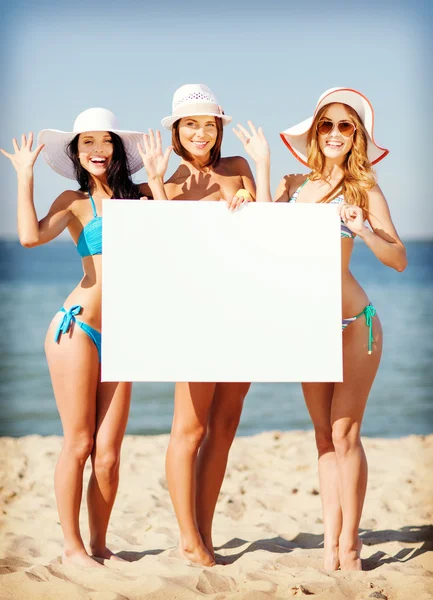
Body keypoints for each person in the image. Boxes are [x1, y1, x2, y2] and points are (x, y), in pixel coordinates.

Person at [235, 87, 407, 571]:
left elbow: (398, 260)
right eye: (326, 125)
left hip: (355, 323)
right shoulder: (295, 186)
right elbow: (261, 237)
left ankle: (350, 547)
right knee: (322, 436)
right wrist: (259, 174)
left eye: (345, 125)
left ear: (357, 137)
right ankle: (330, 545)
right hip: (306, 324)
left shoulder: (364, 190)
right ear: (315, 132)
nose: (334, 133)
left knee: (345, 432)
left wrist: (367, 230)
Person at [1, 107, 146, 568]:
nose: (97, 150)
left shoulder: (143, 198)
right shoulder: (72, 200)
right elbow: (29, 237)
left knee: (109, 454)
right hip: (77, 328)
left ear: (118, 151)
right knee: (79, 443)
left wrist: (247, 184)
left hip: (124, 334)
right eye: (87, 143)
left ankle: (100, 545)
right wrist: (24, 176)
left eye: (106, 142)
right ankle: (73, 548)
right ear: (76, 153)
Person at [138, 84, 255, 566]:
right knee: (190, 427)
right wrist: (157, 183)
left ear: (219, 129)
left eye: (209, 124)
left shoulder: (238, 170)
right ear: (176, 132)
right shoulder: (159, 183)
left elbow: (265, 231)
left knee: (225, 425)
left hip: (242, 312)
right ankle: (188, 538)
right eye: (190, 124)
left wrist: (254, 185)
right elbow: (162, 251)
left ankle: (204, 532)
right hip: (192, 313)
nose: (201, 132)